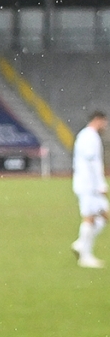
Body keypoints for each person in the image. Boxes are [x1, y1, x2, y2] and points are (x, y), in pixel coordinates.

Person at [72, 110, 105, 268]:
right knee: (90, 217)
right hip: (88, 185)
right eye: (104, 122)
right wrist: (100, 184)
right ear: (98, 120)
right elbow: (91, 162)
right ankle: (85, 256)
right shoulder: (90, 137)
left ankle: (81, 244)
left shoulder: (85, 135)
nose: (105, 125)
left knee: (102, 216)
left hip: (88, 184)